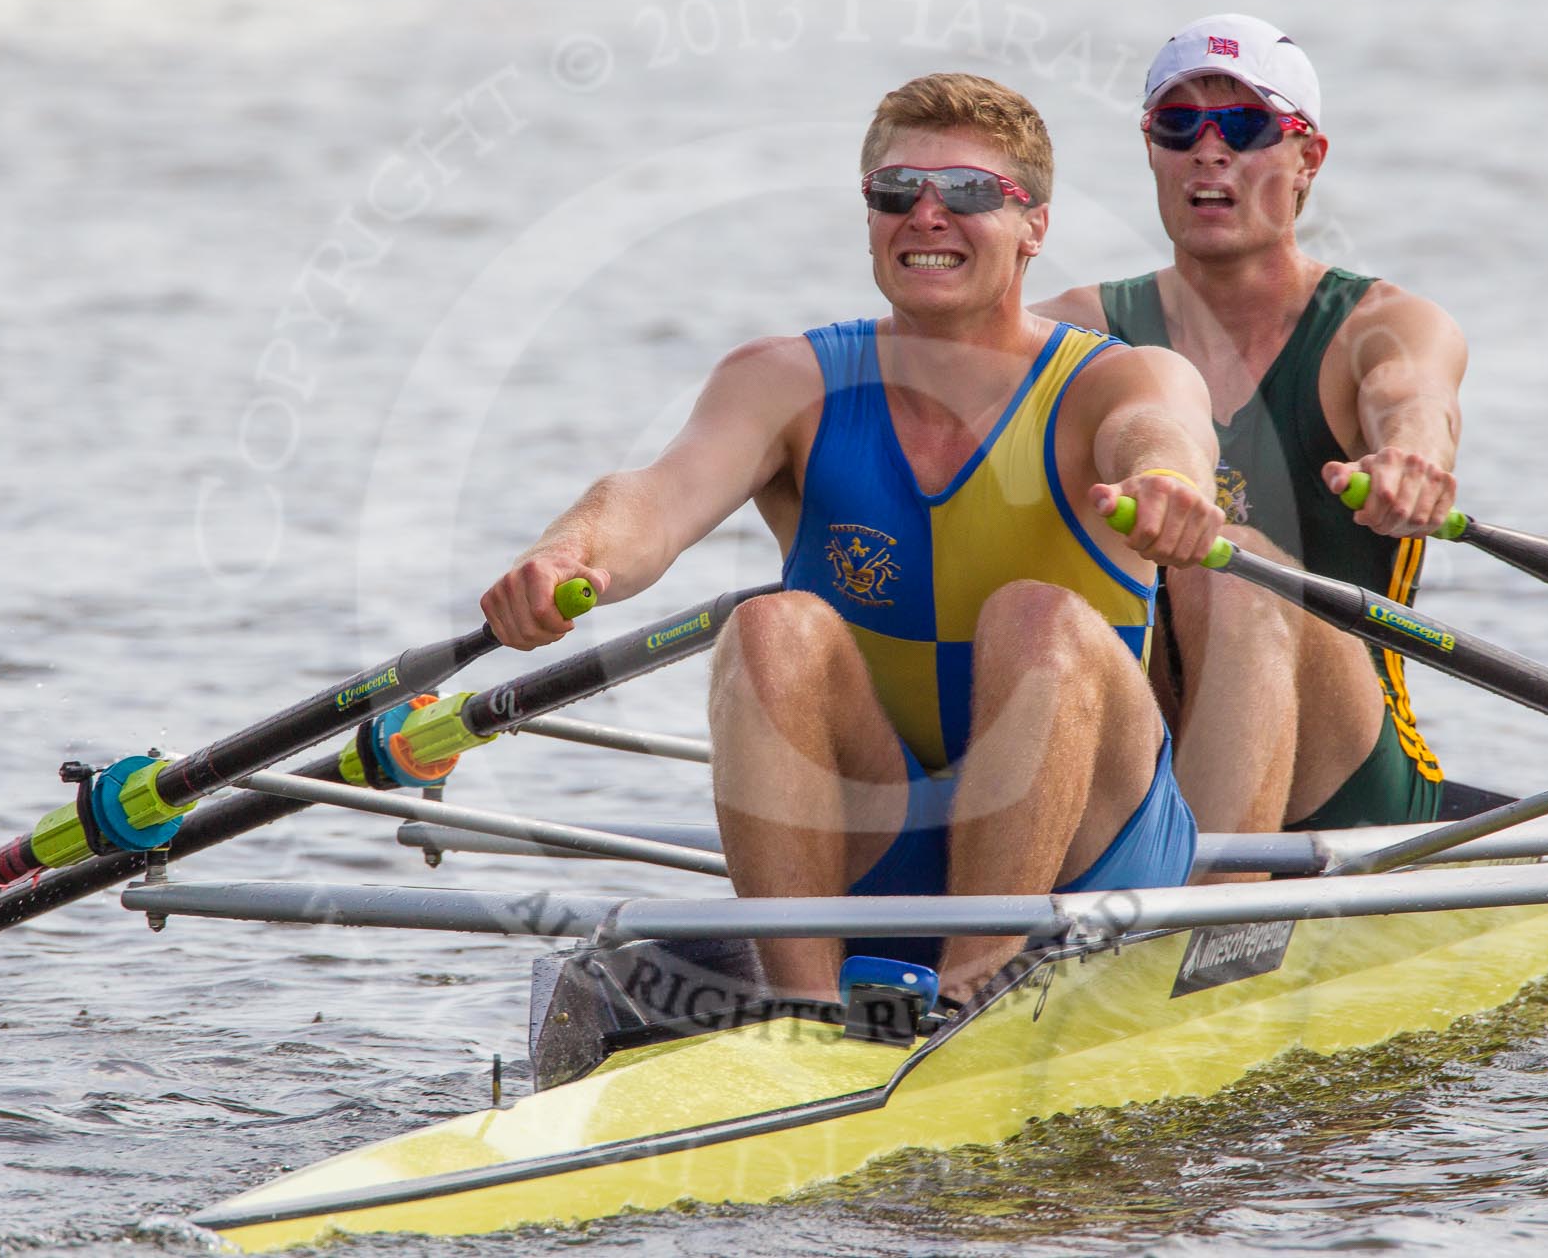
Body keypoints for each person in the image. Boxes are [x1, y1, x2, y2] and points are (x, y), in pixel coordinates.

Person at [480, 73, 1225, 1004]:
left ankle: (971, 995)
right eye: (895, 191)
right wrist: (566, 555)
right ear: (869, 216)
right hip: (883, 837)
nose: (927, 215)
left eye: (968, 192)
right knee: (769, 626)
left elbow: (1162, 433)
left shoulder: (1118, 380)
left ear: (1033, 225)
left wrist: (1168, 487)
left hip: (1092, 854)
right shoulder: (782, 380)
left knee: (1037, 616)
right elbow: (653, 499)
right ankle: (805, 1010)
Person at [1037, 13, 1469, 837]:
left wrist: (1411, 458)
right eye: (1179, 125)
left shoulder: (1382, 325)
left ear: (1309, 158)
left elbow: (1415, 397)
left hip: (1345, 775)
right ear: (1152, 149)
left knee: (1232, 566)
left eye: (1244, 125)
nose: (1210, 150)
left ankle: (1208, 895)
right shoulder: (1069, 330)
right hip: (1143, 744)